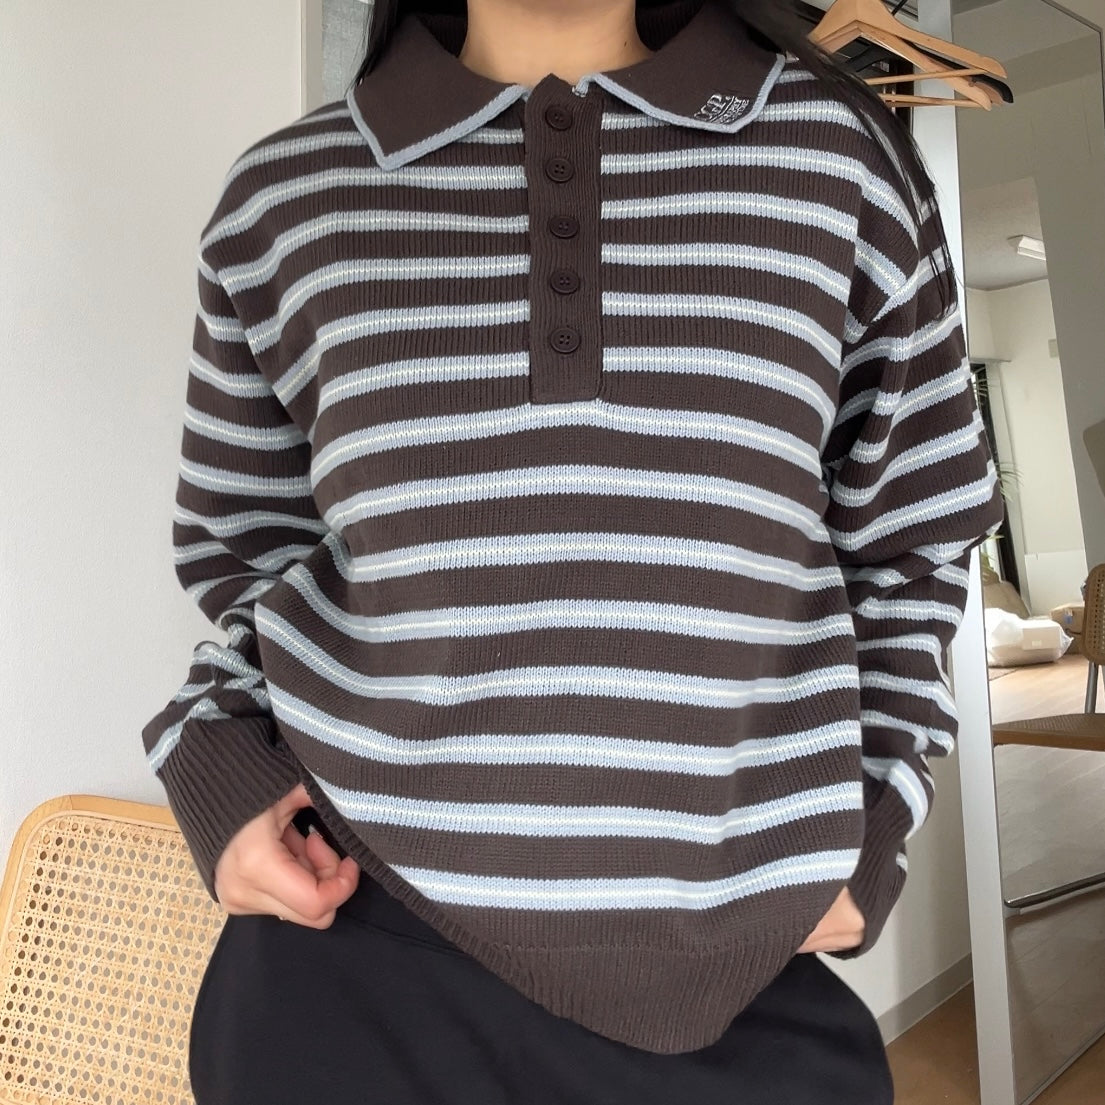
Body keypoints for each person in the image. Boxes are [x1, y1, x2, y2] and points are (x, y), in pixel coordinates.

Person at [143, 0, 1005, 1101]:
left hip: (737, 968)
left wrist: (875, 819)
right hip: (355, 956)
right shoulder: (282, 196)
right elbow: (252, 562)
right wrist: (214, 758)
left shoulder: (842, 164)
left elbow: (914, 543)